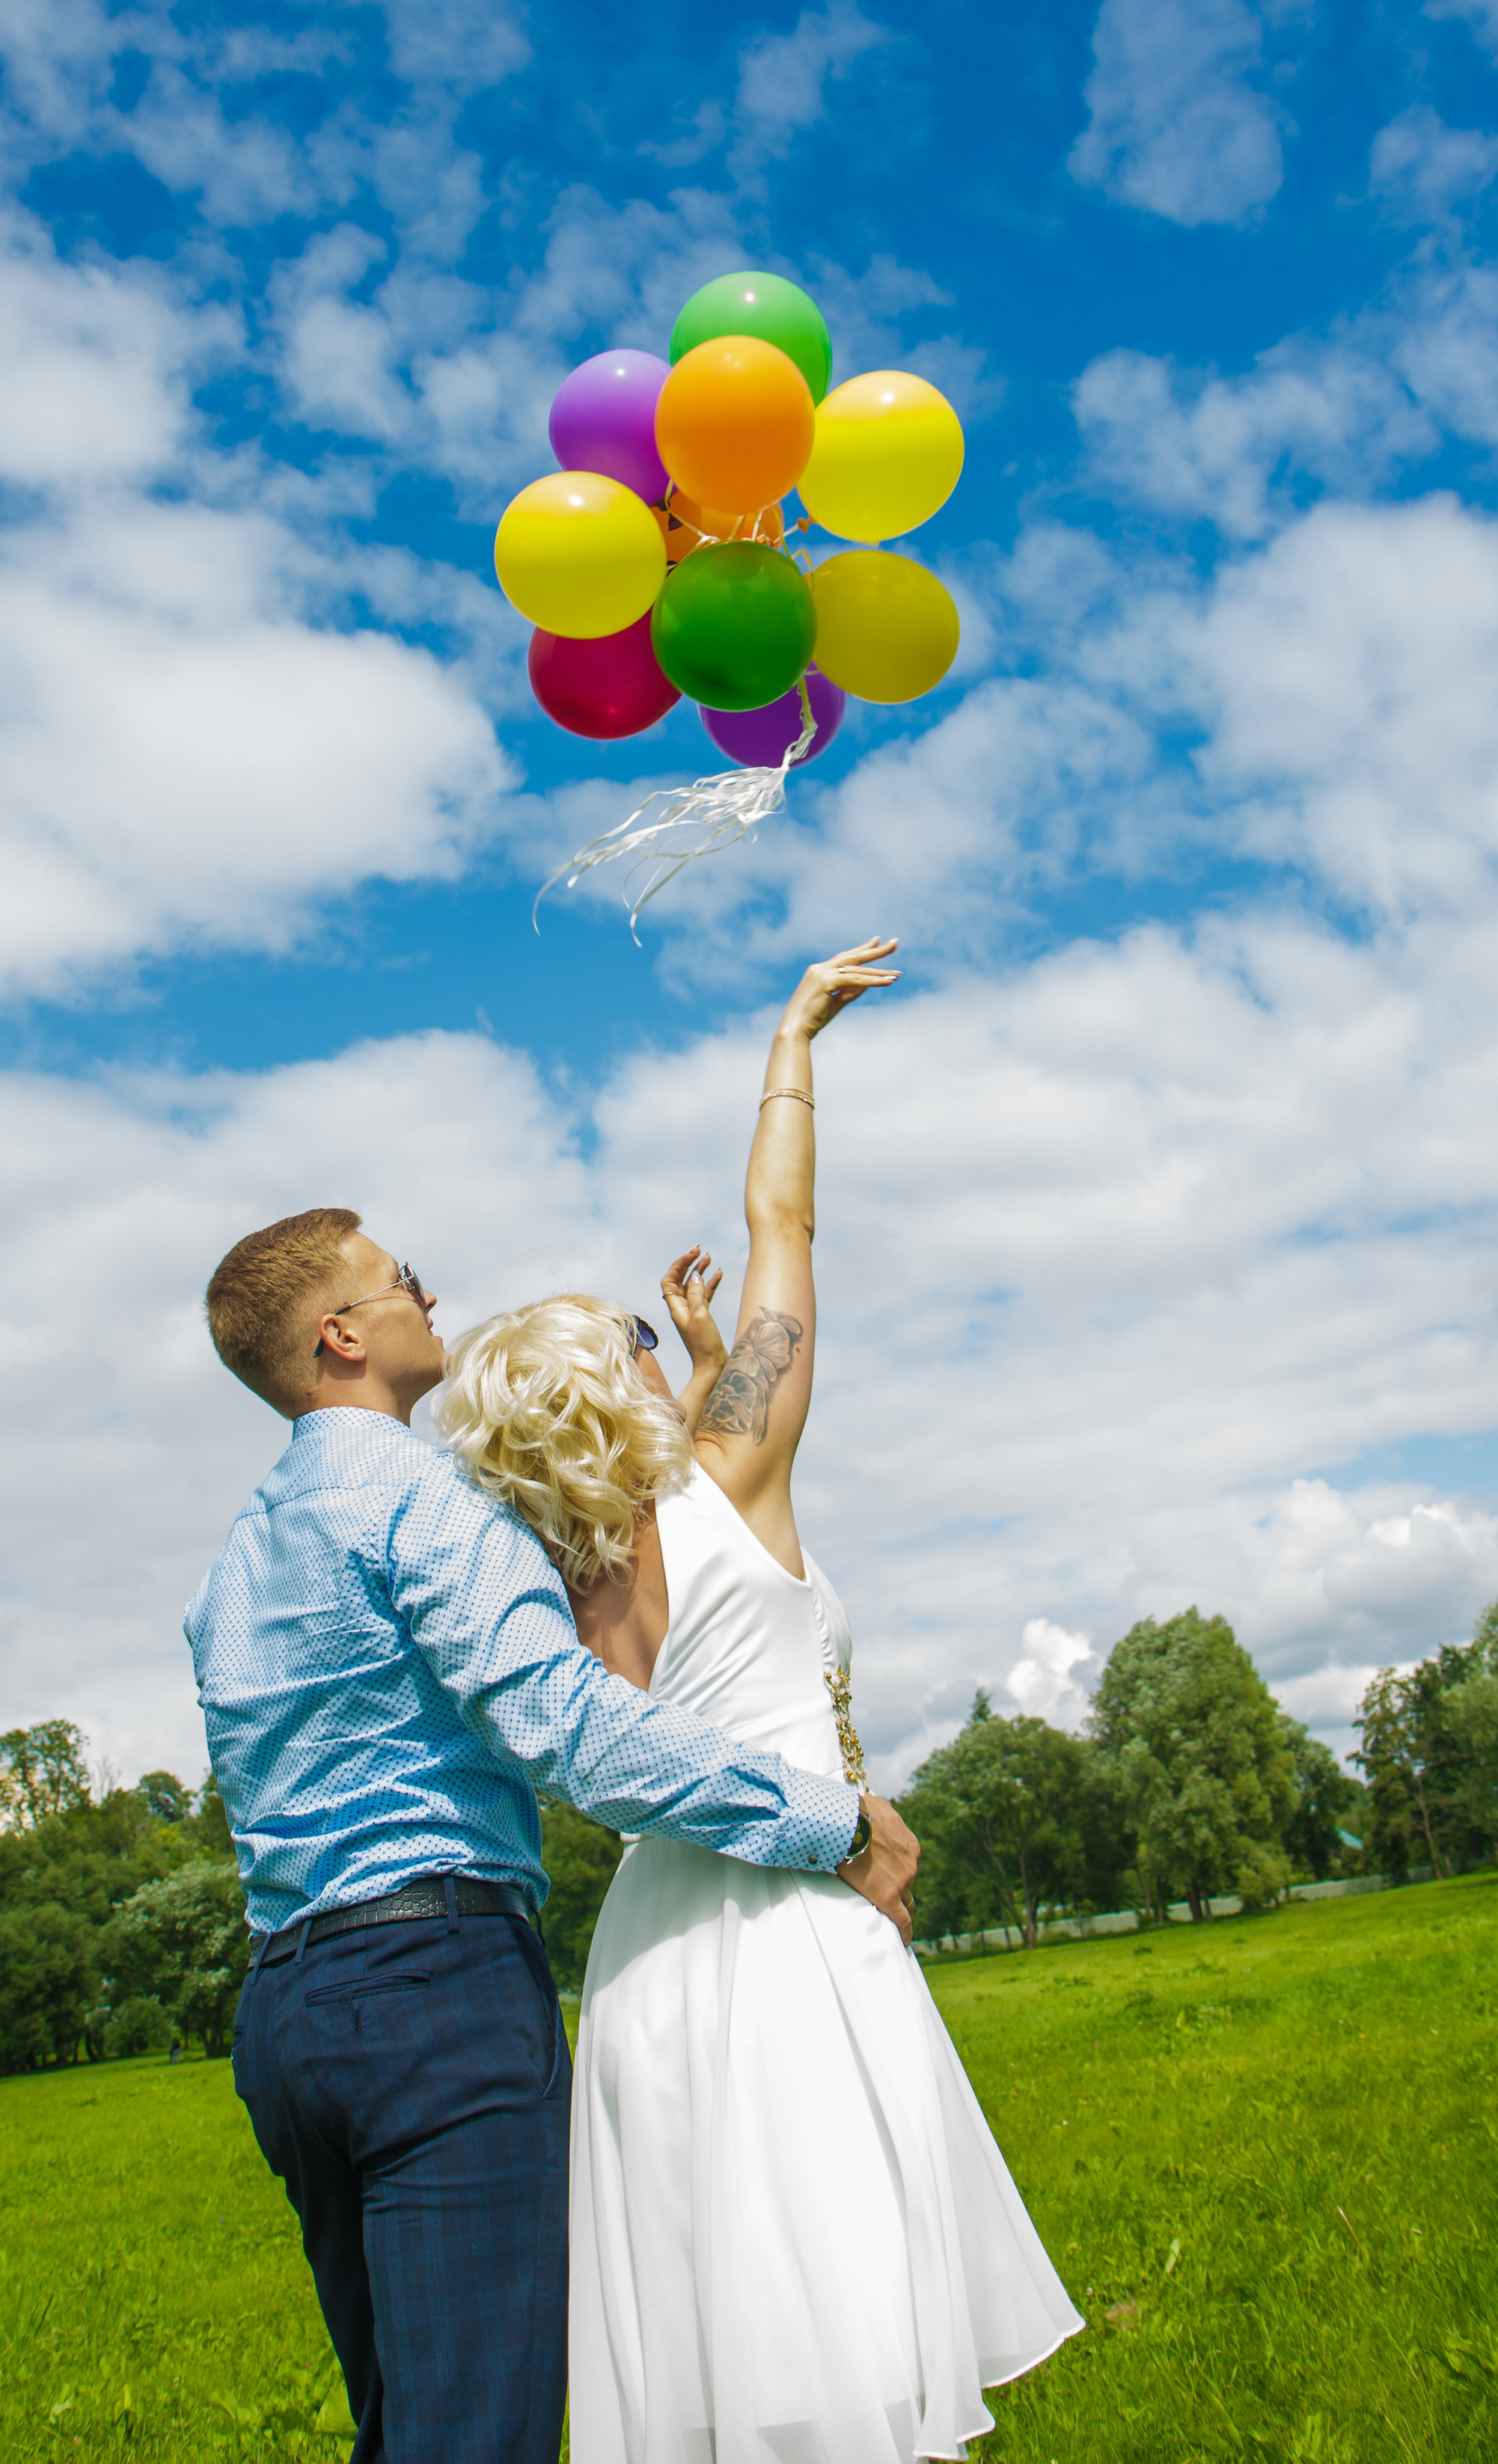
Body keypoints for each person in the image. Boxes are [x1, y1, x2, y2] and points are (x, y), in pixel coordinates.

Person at [439, 939, 1084, 2464]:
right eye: (636, 1341)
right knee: (849, 2338)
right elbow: (781, 1222)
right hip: (794, 1921)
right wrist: (793, 1041)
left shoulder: (551, 1587)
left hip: (649, 1967)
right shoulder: (731, 1472)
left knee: (727, 2362)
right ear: (618, 1388)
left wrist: (704, 1354)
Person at [187, 1199, 919, 2464]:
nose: (429, 1295)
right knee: (480, 2432)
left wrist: (693, 1370)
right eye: (403, 1278)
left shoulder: (236, 1564)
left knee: (401, 2426)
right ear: (343, 1335)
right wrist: (829, 1819)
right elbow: (569, 1729)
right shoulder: (424, 1502)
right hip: (434, 1992)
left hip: (286, 2014)